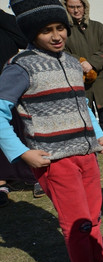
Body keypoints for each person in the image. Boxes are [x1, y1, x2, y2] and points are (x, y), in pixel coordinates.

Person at [0, 0, 103, 262]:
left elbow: (83, 104)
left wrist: (99, 132)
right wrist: (20, 152)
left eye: (60, 28)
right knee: (77, 222)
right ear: (31, 33)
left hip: (86, 154)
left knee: (93, 217)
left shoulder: (70, 61)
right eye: (46, 31)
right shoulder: (21, 67)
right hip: (54, 161)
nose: (56, 36)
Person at [61, 0, 103, 158]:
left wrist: (93, 63)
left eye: (79, 7)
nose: (76, 11)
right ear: (66, 8)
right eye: (72, 7)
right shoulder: (64, 31)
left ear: (85, 7)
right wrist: (81, 62)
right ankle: (92, 147)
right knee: (86, 116)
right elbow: (63, 52)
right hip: (79, 79)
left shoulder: (99, 28)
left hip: (101, 78)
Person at [0, 8, 43, 205]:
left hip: (11, 87)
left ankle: (35, 177)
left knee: (22, 131)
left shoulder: (6, 21)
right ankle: (2, 182)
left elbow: (23, 39)